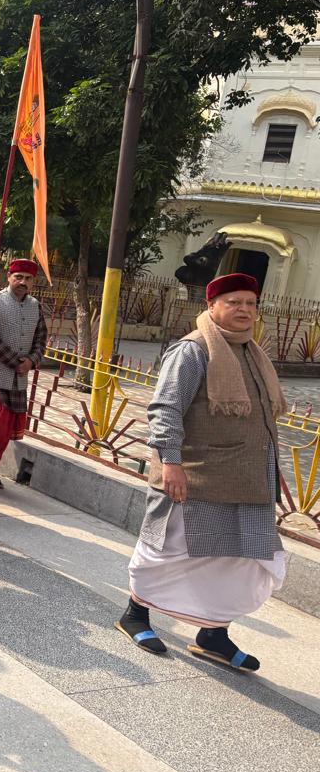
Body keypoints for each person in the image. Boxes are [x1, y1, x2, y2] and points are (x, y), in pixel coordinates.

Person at [118, 273, 287, 671]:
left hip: (246, 481)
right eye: (234, 302)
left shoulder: (251, 352)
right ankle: (135, 615)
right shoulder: (194, 350)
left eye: (250, 303)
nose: (244, 310)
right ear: (212, 306)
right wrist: (171, 462)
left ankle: (213, 634)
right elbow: (165, 409)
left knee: (238, 559)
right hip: (194, 477)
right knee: (167, 551)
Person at [0, 258, 47, 492]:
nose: (23, 282)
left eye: (28, 278)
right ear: (9, 277)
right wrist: (16, 362)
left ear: (34, 282)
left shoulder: (36, 306)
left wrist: (32, 361)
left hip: (19, 378)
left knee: (6, 431)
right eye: (18, 277)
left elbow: (42, 338)